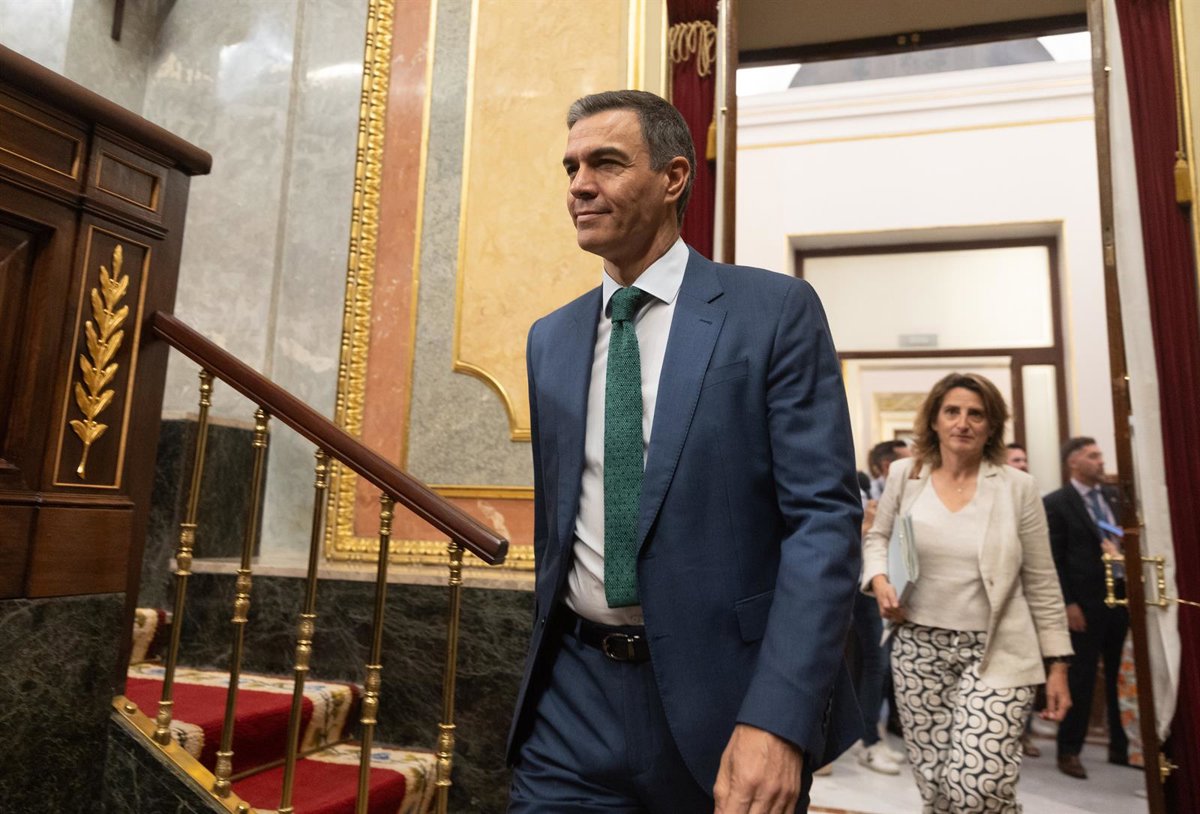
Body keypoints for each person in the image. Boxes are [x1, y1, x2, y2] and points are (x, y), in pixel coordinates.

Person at [505, 90, 863, 813]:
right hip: (571, 704)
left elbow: (823, 523)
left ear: (673, 178)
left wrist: (779, 716)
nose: (579, 185)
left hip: (727, 702)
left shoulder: (773, 312)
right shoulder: (551, 339)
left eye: (606, 163)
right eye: (571, 167)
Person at [862, 372, 1073, 812]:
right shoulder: (906, 474)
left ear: (991, 425)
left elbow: (1042, 579)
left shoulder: (1017, 487)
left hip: (996, 650)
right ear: (934, 420)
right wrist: (880, 580)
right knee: (936, 787)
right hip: (919, 648)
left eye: (976, 414)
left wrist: (1057, 664)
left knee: (976, 786)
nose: (963, 422)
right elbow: (878, 538)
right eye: (952, 412)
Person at [1044, 437, 1130, 779]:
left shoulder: (1114, 497)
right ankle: (1069, 750)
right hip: (1083, 604)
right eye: (1093, 456)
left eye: (1100, 455)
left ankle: (1122, 747)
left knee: (1120, 676)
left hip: (1119, 600)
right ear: (1073, 462)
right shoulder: (1057, 503)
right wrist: (1067, 603)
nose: (1101, 461)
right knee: (1079, 678)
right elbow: (1054, 559)